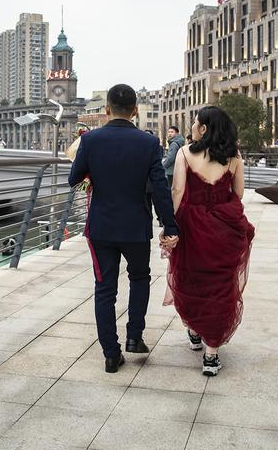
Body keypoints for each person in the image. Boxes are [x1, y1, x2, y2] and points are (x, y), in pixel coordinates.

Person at [68, 84, 179, 373]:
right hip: (135, 226)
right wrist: (169, 224)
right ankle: (134, 337)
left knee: (104, 289)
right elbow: (160, 188)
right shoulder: (148, 143)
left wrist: (93, 176)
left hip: (101, 226)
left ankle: (110, 353)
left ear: (106, 109)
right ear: (134, 110)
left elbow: (74, 178)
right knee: (140, 278)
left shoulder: (90, 140)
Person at [167, 106, 255, 376]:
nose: (192, 127)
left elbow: (178, 189)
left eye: (195, 123)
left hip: (192, 224)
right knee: (221, 284)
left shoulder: (184, 153)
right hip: (223, 224)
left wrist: (171, 226)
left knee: (190, 277)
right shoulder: (234, 157)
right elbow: (237, 193)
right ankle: (212, 354)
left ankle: (194, 329)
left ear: (203, 128)